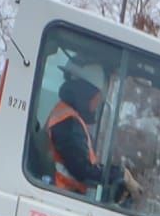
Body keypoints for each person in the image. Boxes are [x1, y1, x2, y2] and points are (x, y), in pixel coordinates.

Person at [45, 73, 141, 205]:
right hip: (60, 194)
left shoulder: (67, 114)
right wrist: (119, 175)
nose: (99, 104)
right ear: (86, 93)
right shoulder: (69, 124)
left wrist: (118, 174)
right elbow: (82, 169)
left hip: (61, 194)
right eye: (98, 97)